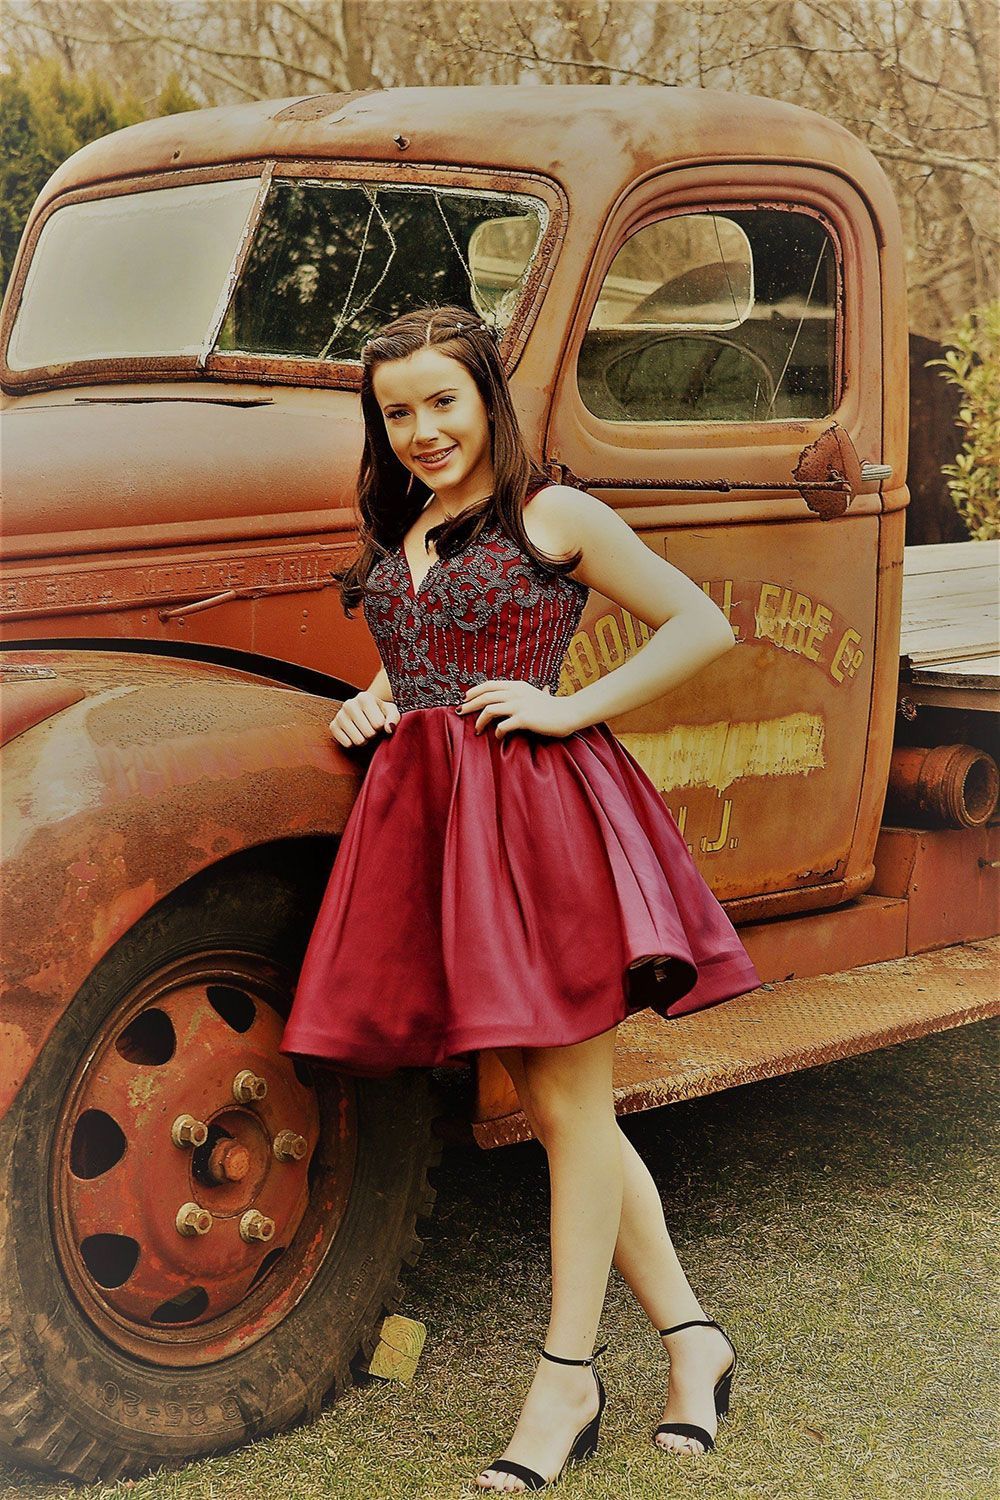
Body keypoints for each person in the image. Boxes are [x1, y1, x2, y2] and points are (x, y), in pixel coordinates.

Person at [279, 303, 761, 1491]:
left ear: (489, 394)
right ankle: (696, 1345)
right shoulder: (413, 523)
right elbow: (426, 639)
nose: (421, 431)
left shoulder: (555, 514)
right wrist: (377, 693)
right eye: (397, 412)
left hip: (544, 830)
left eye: (442, 401)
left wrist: (566, 705)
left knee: (571, 1113)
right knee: (560, 1115)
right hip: (445, 838)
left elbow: (702, 623)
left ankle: (564, 1375)